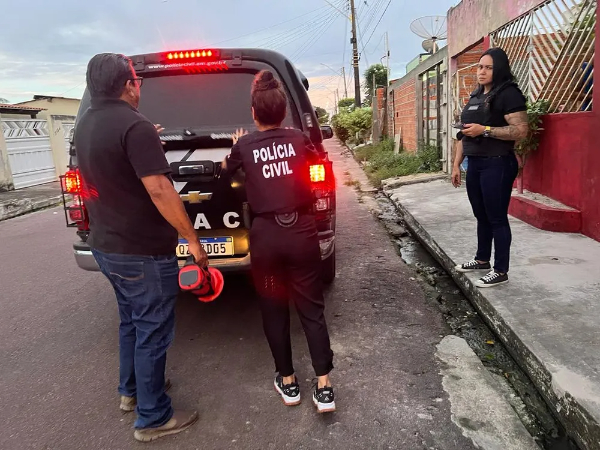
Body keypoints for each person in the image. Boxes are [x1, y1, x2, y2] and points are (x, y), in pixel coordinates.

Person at [75, 53, 208, 442]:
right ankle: (152, 418)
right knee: (152, 329)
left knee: (131, 321)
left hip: (106, 247)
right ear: (128, 85)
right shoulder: (135, 126)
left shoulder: (85, 125)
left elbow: (115, 159)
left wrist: (147, 136)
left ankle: (130, 391)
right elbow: (159, 190)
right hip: (142, 253)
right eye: (137, 81)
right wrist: (192, 238)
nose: (139, 87)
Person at [223, 70, 336, 413]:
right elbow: (318, 164)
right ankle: (324, 387)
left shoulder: (244, 146)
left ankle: (288, 381)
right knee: (311, 309)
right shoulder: (299, 139)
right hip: (301, 234)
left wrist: (236, 147)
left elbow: (226, 172)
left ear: (254, 113)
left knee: (274, 308)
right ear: (284, 111)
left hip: (267, 241)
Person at [451, 47, 529, 288]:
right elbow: (463, 134)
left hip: (498, 164)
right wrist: (456, 165)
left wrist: (485, 130)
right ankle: (482, 259)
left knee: (497, 217)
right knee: (481, 215)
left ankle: (501, 270)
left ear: (499, 69)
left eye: (488, 67)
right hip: (474, 163)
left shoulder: (509, 94)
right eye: (479, 67)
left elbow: (521, 131)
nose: (481, 72)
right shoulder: (475, 96)